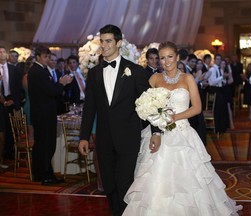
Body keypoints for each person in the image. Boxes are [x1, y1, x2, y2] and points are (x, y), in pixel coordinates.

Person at [123, 41, 242, 215]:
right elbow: (144, 103)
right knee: (156, 180)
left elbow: (197, 107)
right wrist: (153, 115)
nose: (166, 61)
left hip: (182, 132)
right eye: (162, 58)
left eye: (169, 57)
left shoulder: (187, 78)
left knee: (188, 182)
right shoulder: (155, 79)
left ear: (177, 57)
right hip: (158, 134)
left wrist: (173, 118)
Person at [78, 24, 161, 216]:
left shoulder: (135, 71)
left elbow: (148, 104)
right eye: (102, 41)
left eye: (108, 41)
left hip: (128, 139)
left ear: (119, 43)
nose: (104, 45)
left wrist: (156, 131)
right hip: (104, 140)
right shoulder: (94, 73)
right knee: (109, 186)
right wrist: (84, 137)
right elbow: (89, 107)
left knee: (125, 185)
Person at [28, 45, 72, 185]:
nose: (48, 59)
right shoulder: (39, 72)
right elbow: (51, 92)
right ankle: (46, 176)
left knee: (41, 145)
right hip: (44, 114)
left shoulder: (37, 70)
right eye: (45, 57)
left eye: (48, 56)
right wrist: (61, 83)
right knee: (47, 145)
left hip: (41, 113)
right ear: (38, 57)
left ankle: (39, 173)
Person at [0, 46, 22, 164]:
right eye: (0, 52)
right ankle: (2, 155)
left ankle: (10, 152)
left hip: (11, 100)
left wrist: (14, 100)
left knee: (11, 128)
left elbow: (18, 87)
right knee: (1, 129)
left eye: (4, 51)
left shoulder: (13, 69)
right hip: (0, 101)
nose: (2, 54)